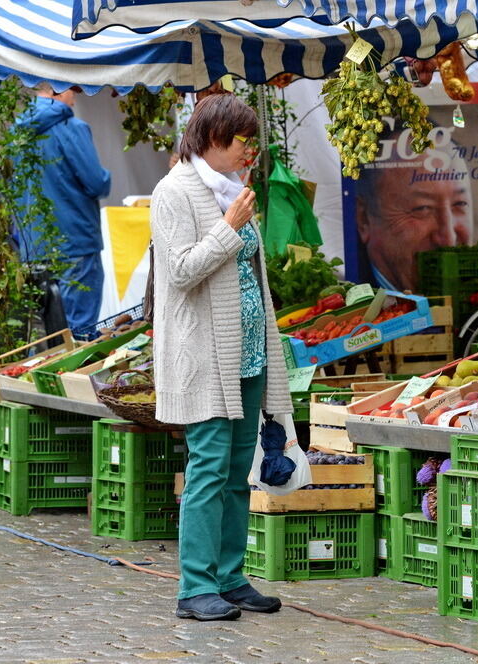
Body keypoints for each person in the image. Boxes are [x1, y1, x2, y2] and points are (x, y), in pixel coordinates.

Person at [150, 94, 293, 621]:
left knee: (238, 470)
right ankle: (194, 587)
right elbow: (182, 271)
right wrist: (230, 226)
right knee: (208, 469)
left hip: (247, 353)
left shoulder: (232, 189)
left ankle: (231, 577)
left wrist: (236, 221)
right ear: (212, 139)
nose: (248, 152)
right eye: (242, 142)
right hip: (203, 356)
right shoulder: (175, 191)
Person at [15, 83, 111, 336]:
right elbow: (95, 182)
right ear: (57, 90)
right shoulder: (72, 128)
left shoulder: (16, 133)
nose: (75, 99)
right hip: (74, 239)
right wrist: (106, 178)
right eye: (73, 91)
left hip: (33, 247)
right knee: (80, 331)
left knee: (47, 335)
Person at [354, 126, 472, 293]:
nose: (448, 239)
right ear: (364, 219)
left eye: (459, 204)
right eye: (422, 208)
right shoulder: (350, 306)